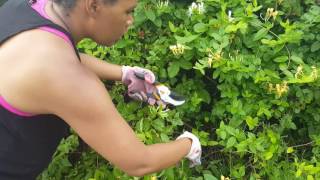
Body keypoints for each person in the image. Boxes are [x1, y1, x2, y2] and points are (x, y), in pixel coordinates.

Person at [0, 0, 202, 179]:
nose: (131, 20)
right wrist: (188, 144)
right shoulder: (70, 81)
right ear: (94, 5)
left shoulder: (25, 7)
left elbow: (59, 56)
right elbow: (140, 162)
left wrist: (124, 73)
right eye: (128, 11)